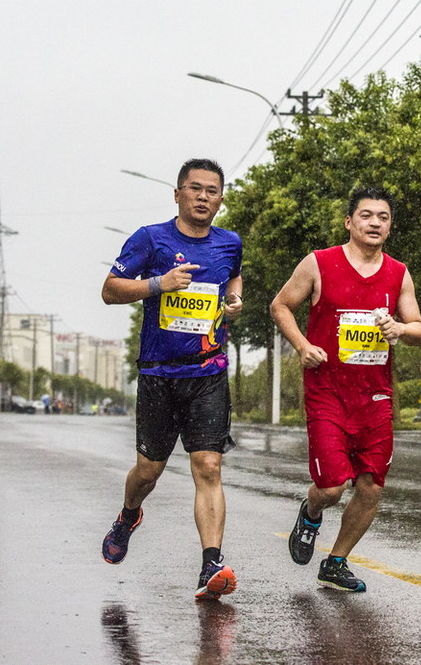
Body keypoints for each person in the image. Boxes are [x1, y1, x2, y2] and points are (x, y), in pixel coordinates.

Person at [100, 158, 243, 601]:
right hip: (159, 374)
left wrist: (235, 299)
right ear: (177, 193)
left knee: (209, 467)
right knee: (148, 471)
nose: (203, 197)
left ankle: (211, 565)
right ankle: (128, 515)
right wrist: (158, 284)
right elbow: (109, 289)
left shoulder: (230, 243)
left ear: (221, 198)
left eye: (212, 190)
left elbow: (233, 277)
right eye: (195, 188)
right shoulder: (151, 239)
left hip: (208, 373)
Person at [270, 186, 421, 592]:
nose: (375, 223)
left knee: (372, 485)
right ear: (349, 222)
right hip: (327, 392)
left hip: (375, 396)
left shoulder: (398, 272)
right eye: (367, 215)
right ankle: (310, 512)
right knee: (332, 486)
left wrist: (401, 328)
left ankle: (335, 561)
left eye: (384, 217)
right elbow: (280, 305)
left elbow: (419, 329)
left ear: (390, 226)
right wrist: (303, 346)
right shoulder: (319, 263)